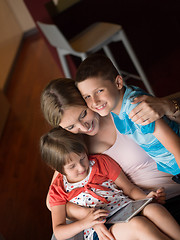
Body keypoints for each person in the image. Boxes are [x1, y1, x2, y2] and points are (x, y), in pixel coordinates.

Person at [41, 78, 180, 224]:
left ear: (87, 99)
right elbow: (51, 202)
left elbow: (173, 129)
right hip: (148, 208)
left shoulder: (119, 107)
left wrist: (168, 107)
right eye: (71, 127)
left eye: (83, 115)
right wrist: (88, 213)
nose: (83, 127)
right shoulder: (75, 147)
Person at [40, 127, 180, 240]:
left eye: (82, 158)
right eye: (72, 166)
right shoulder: (58, 189)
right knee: (139, 225)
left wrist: (146, 198)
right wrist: (87, 222)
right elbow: (59, 232)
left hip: (127, 208)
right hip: (103, 229)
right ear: (57, 168)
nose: (82, 167)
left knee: (154, 209)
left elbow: (130, 189)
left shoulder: (100, 162)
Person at [75, 54, 180, 182]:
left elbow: (176, 147)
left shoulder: (135, 108)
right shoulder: (114, 107)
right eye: (87, 96)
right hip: (172, 168)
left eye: (99, 91)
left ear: (118, 83)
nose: (95, 102)